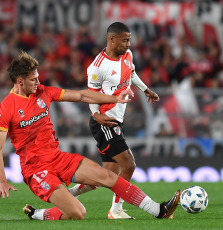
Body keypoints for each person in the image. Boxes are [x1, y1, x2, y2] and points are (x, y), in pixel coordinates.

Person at [0, 51, 180, 221]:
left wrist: (114, 98)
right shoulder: (7, 107)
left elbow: (82, 96)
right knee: (78, 212)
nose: (38, 83)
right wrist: (2, 180)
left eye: (38, 78)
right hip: (36, 169)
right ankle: (38, 214)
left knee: (107, 177)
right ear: (20, 81)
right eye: (33, 79)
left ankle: (158, 210)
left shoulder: (43, 92)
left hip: (58, 158)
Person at [69, 22, 160, 219]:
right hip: (105, 121)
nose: (128, 44)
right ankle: (116, 210)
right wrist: (96, 115)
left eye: (129, 40)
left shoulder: (127, 56)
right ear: (112, 39)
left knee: (106, 174)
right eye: (125, 40)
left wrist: (146, 90)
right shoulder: (97, 66)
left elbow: (132, 74)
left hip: (116, 120)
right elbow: (90, 94)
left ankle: (68, 195)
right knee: (128, 165)